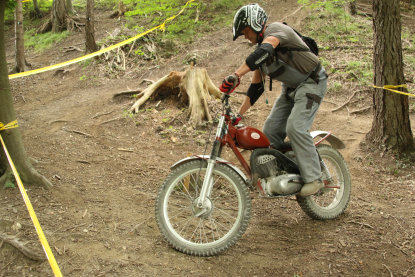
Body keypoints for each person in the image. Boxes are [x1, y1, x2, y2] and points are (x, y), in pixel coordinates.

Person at [219, 3, 328, 197]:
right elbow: (256, 89)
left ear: (255, 23)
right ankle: (287, 170)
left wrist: (235, 74)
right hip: (291, 89)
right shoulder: (262, 53)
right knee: (270, 131)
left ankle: (314, 178)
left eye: (245, 31)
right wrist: (238, 115)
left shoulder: (277, 30)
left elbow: (266, 50)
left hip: (312, 83)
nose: (246, 37)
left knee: (295, 127)